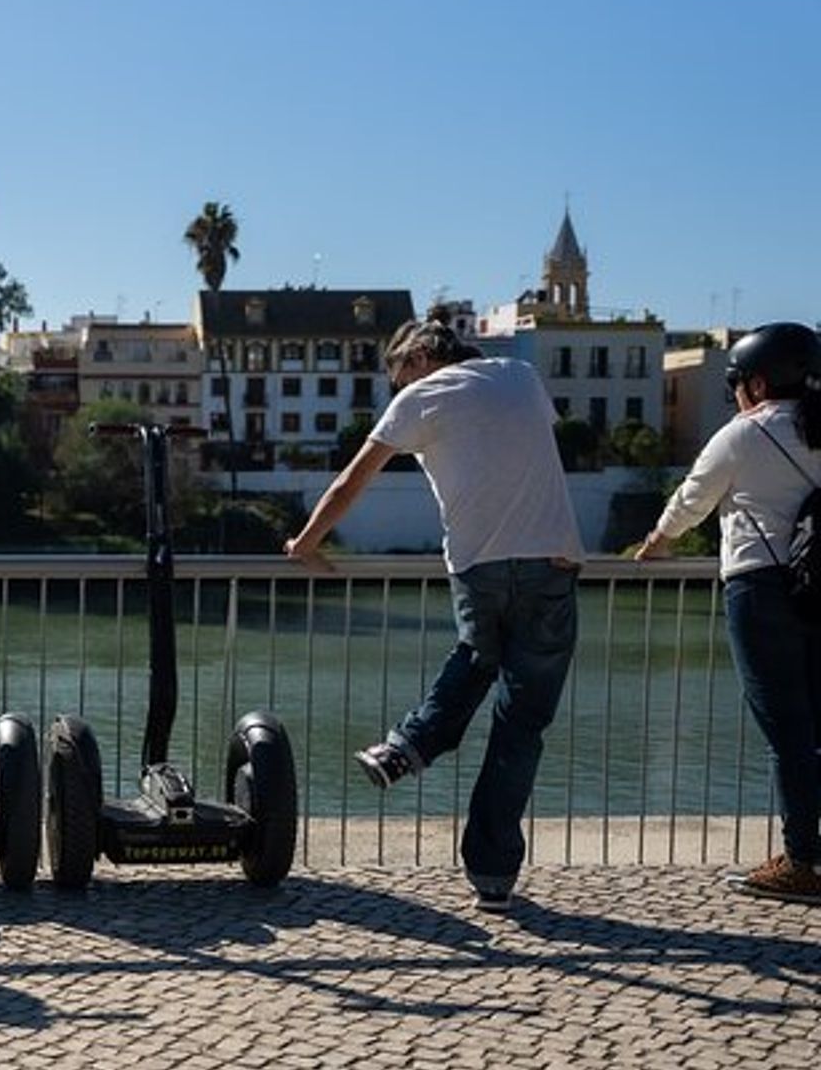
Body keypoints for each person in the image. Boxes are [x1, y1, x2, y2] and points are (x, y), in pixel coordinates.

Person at [285, 317, 583, 912]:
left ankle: (409, 745)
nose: (399, 389)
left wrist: (306, 543)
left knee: (478, 655)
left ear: (420, 356)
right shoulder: (521, 375)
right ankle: (493, 876)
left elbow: (351, 483)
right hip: (553, 559)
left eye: (399, 376)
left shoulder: (418, 398)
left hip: (480, 565)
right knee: (522, 726)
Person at [636, 322, 821, 902]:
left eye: (737, 383)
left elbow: (692, 497)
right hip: (818, 588)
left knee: (786, 729)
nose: (736, 394)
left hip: (762, 590)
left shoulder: (745, 434)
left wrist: (657, 542)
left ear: (758, 383)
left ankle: (801, 862)